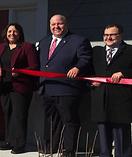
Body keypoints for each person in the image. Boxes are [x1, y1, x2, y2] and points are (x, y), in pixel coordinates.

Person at [37, 14, 92, 156]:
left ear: (66, 24)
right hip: (47, 88)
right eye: (53, 25)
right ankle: (53, 146)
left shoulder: (78, 41)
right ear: (50, 26)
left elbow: (85, 58)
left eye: (59, 24)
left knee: (70, 121)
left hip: (67, 89)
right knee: (52, 121)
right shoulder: (44, 42)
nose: (56, 27)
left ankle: (69, 150)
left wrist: (77, 67)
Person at [0, 23, 39, 154]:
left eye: (15, 31)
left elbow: (34, 67)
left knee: (19, 117)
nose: (12, 34)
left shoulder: (27, 47)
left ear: (20, 33)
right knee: (8, 115)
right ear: (5, 33)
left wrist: (21, 71)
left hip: (21, 87)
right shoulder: (0, 47)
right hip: (4, 86)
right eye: (9, 31)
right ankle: (10, 141)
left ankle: (20, 144)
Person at [90, 24, 132, 157]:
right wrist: (91, 81)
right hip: (101, 99)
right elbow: (88, 71)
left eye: (112, 35)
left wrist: (124, 73)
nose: (108, 38)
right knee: (104, 138)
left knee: (121, 137)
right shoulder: (97, 52)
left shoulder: (130, 51)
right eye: (106, 35)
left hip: (121, 100)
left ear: (121, 35)